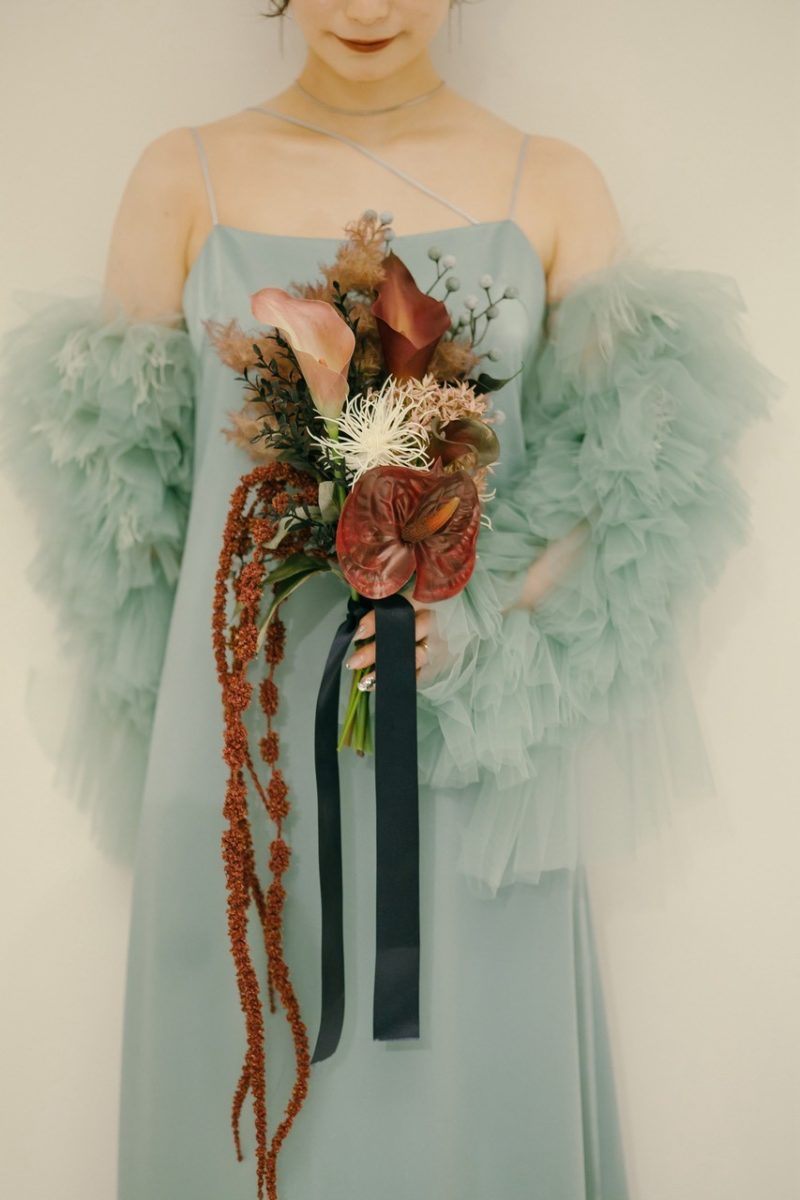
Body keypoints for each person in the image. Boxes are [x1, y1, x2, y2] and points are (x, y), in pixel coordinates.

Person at [0, 2, 783, 1198]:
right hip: (240, 768)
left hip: (467, 771)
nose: (366, 5)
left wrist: (479, 628)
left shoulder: (549, 185)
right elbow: (120, 523)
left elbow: (639, 485)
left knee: (468, 1128)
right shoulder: (179, 179)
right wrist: (201, 742)